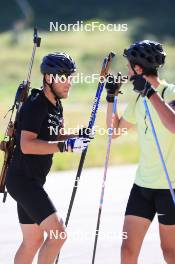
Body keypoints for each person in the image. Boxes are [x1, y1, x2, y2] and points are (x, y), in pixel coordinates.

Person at [6, 52, 92, 264]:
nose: (69, 83)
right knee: (58, 234)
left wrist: (75, 137)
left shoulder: (56, 105)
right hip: (22, 180)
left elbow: (53, 136)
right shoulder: (36, 105)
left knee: (33, 240)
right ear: (48, 79)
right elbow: (27, 145)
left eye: (70, 77)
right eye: (63, 78)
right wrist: (65, 146)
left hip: (33, 180)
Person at [105, 40, 175, 264]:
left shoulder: (170, 91)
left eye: (128, 66)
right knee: (127, 251)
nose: (126, 70)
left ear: (138, 69)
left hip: (170, 187)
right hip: (143, 186)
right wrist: (111, 97)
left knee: (170, 252)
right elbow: (113, 132)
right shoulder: (138, 98)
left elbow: (173, 124)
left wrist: (150, 93)